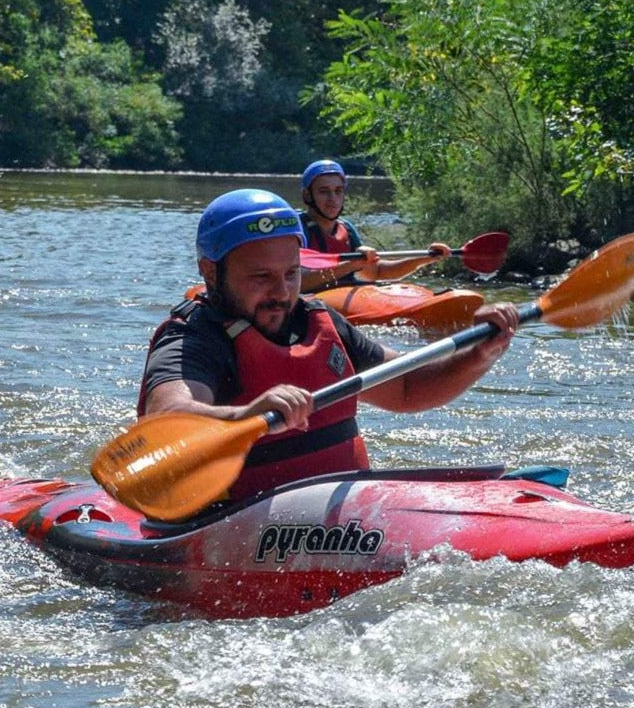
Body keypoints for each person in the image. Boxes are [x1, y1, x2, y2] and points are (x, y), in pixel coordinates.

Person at [139, 188, 518, 502]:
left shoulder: (319, 321)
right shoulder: (192, 337)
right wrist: (247, 416)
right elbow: (165, 419)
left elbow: (406, 389)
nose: (281, 292)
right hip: (233, 521)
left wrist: (478, 355)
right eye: (261, 277)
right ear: (210, 271)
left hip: (341, 515)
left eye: (291, 274)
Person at [298, 159, 453, 292]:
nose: (333, 198)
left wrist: (425, 257)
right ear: (307, 195)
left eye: (338, 191)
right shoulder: (296, 230)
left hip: (344, 300)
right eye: (324, 191)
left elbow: (376, 273)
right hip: (312, 304)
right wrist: (350, 265)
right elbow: (297, 283)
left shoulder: (347, 229)